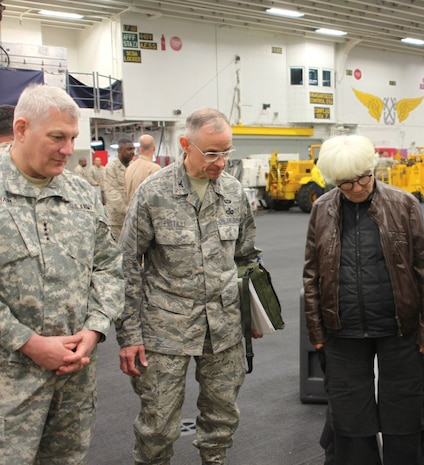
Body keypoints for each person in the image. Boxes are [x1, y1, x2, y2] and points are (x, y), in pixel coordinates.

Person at [116, 108, 261, 465]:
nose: (221, 162)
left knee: (221, 418)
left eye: (227, 151)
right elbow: (127, 264)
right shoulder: (154, 192)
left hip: (224, 327)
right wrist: (129, 334)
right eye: (211, 152)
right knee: (158, 425)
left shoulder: (234, 192)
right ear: (186, 145)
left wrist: (253, 314)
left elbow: (246, 257)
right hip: (166, 328)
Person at [303, 135, 424, 465]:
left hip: (402, 331)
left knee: (406, 418)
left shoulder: (403, 204)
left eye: (362, 178)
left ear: (373, 169)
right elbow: (311, 275)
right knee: (350, 422)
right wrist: (317, 333)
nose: (356, 188)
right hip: (343, 334)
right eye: (345, 182)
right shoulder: (321, 209)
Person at [0, 84, 124, 464]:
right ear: (21, 129)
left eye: (72, 137)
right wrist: (27, 342)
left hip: (74, 379)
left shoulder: (82, 194)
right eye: (57, 137)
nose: (69, 150)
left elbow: (109, 265)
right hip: (10, 382)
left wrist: (95, 329)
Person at [103, 137, 135, 240]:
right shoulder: (111, 167)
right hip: (117, 220)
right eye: (129, 149)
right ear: (120, 150)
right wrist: (127, 210)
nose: (132, 152)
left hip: (132, 219)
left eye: (133, 149)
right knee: (118, 250)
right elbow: (111, 193)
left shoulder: (133, 166)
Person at [124, 133, 162, 202]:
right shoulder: (155, 169)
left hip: (130, 211)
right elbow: (158, 198)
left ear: (139, 149)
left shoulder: (129, 168)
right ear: (154, 148)